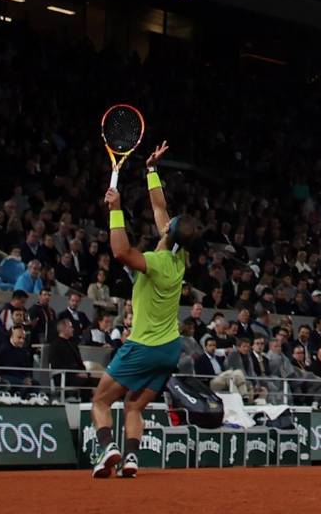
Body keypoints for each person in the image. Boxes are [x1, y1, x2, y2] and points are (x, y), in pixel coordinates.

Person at [91, 142, 189, 479]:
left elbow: (120, 252)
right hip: (170, 349)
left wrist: (114, 209)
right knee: (133, 405)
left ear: (168, 233)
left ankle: (107, 448)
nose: (166, 220)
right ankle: (131, 458)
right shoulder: (179, 258)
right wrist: (150, 170)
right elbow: (160, 208)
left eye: (168, 223)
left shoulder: (158, 262)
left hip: (144, 346)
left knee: (101, 401)